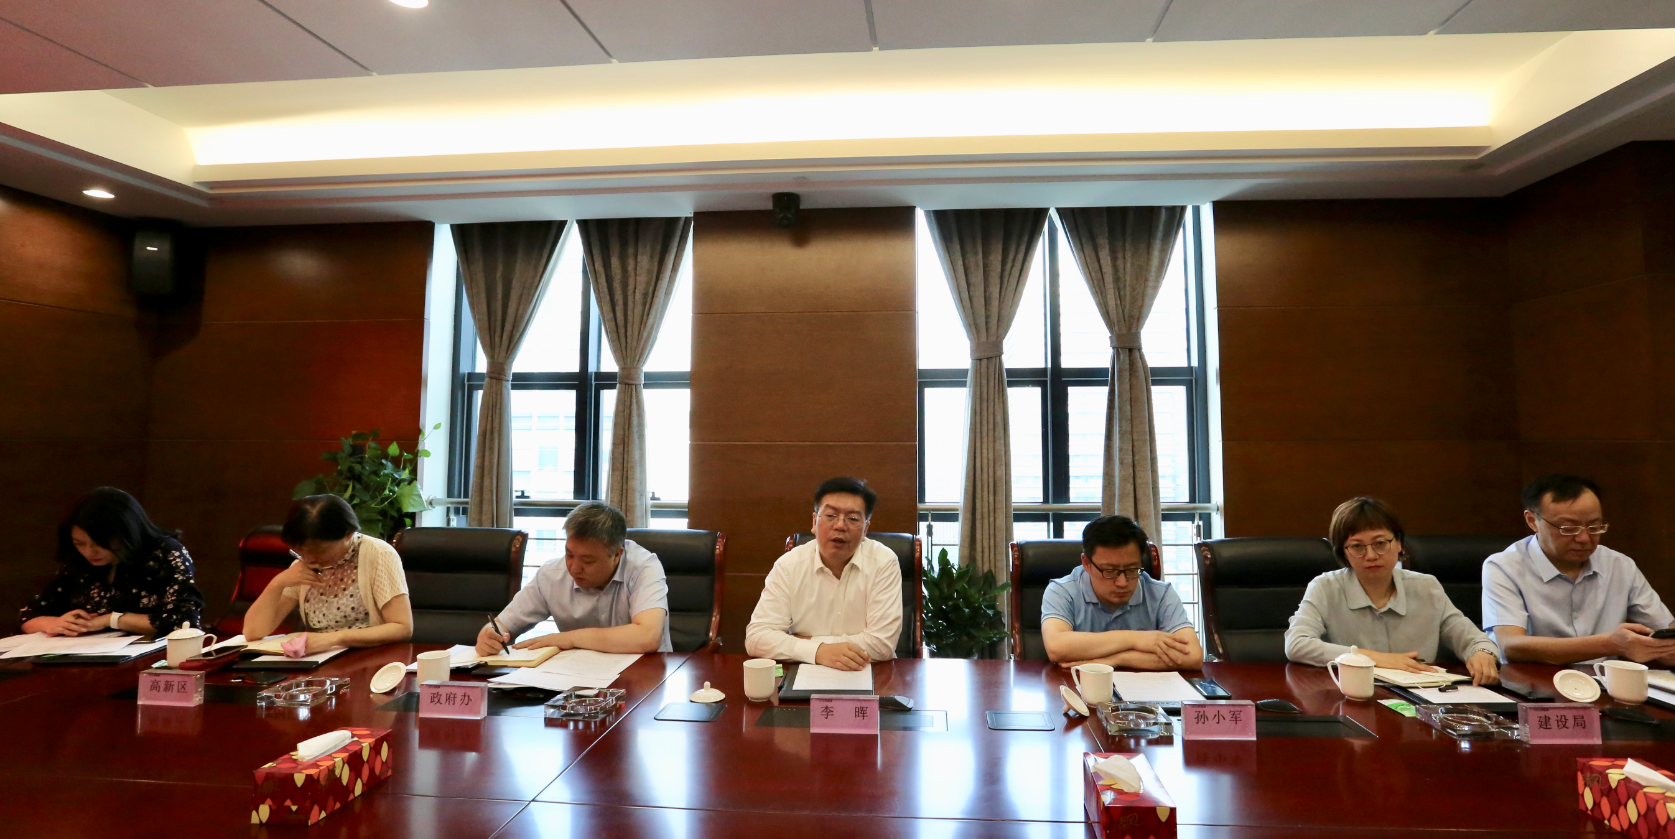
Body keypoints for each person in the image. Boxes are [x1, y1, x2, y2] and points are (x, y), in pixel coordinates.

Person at [1286, 497, 1500, 685]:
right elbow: (1296, 644)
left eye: (1380, 543)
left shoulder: (1426, 587)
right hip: (1353, 695)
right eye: (1357, 547)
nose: (1371, 555)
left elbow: (1475, 640)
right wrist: (1372, 658)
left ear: (1399, 543)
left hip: (1422, 696)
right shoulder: (1325, 587)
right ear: (1344, 553)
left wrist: (1483, 655)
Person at [1483, 474, 1675, 665]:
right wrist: (1610, 644)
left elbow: (1666, 631)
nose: (1584, 538)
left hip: (1604, 681)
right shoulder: (1504, 567)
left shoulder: (1619, 565)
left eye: (1594, 527)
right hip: (1534, 681)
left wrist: (1664, 649)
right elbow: (1511, 645)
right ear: (1532, 520)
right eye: (1568, 528)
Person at [745, 476, 903, 671]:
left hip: (869, 671)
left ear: (865, 530)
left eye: (853, 519)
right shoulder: (788, 566)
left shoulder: (883, 562)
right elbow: (757, 638)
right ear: (814, 521)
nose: (840, 526)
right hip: (803, 672)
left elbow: (882, 644)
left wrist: (808, 644)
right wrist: (819, 652)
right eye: (830, 515)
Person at [476, 501, 671, 655]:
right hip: (575, 681)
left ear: (617, 555)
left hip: (643, 676)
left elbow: (647, 636)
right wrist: (490, 636)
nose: (574, 568)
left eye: (588, 560)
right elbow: (502, 625)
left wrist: (569, 639)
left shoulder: (644, 568)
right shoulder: (552, 574)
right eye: (569, 554)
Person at [241, 495, 413, 654]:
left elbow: (402, 627)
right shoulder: (303, 565)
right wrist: (278, 583)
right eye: (300, 551)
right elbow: (253, 632)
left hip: (368, 659)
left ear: (348, 535)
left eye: (319, 551)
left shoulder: (378, 554)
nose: (308, 558)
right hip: (318, 663)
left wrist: (334, 639)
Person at [20, 487, 204, 636]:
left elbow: (184, 621)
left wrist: (111, 620)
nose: (89, 552)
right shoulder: (79, 562)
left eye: (100, 543)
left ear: (126, 534)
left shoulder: (164, 553)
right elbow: (27, 616)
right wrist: (53, 623)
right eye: (79, 543)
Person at [1039, 515, 1203, 671]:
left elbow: (1193, 656)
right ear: (1087, 563)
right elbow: (1057, 647)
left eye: (1132, 569)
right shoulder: (1062, 591)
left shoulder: (1161, 594)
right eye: (1110, 571)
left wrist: (1118, 659)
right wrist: (1136, 639)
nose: (1122, 582)